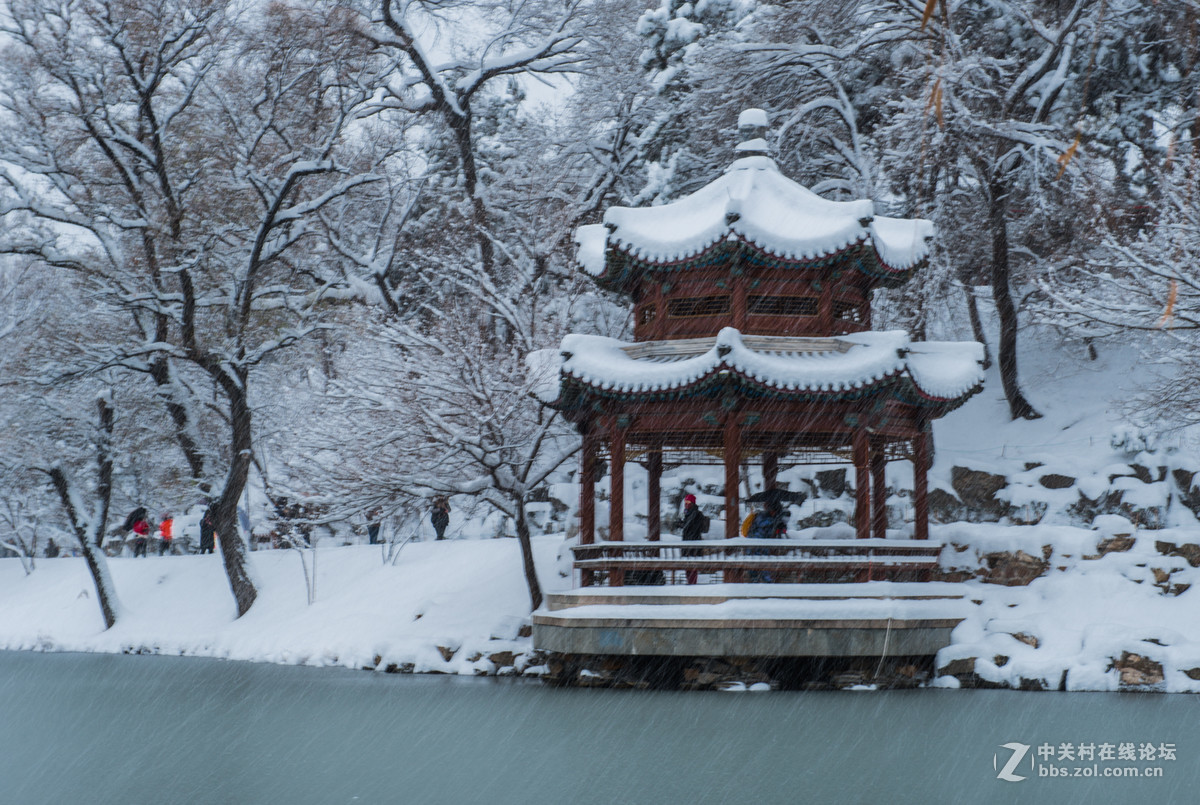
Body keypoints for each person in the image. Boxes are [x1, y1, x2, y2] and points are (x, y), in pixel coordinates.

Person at [680, 493, 709, 585]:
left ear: (692, 503)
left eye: (688, 502)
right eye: (685, 502)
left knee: (692, 566)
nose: (686, 504)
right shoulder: (687, 513)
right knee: (688, 566)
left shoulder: (696, 514)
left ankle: (692, 583)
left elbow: (691, 527)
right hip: (688, 544)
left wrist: (683, 525)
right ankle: (690, 582)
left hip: (693, 543)